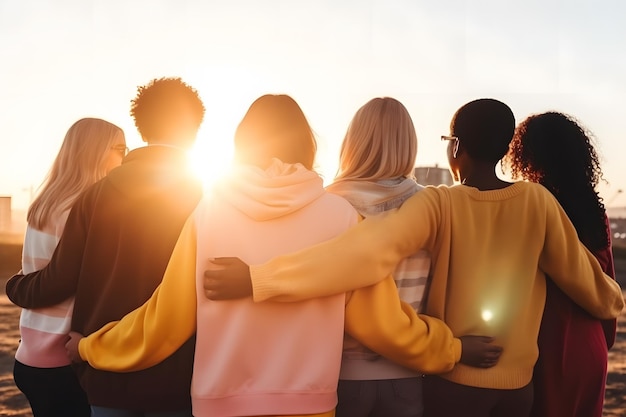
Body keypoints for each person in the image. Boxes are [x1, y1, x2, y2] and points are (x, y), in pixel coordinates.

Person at [66, 94, 501, 417]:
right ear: (307, 145)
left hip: (220, 405)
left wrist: (89, 345)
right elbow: (384, 325)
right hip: (308, 403)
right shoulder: (340, 217)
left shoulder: (210, 213)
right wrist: (451, 348)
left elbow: (162, 322)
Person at [202, 98, 624, 417]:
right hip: (518, 391)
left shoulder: (440, 205)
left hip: (452, 384)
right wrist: (614, 301)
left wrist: (260, 279)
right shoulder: (538, 202)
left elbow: (362, 255)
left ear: (455, 147)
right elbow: (587, 281)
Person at [6, 77, 205, 417]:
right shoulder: (205, 195)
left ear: (141, 127)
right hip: (178, 368)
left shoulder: (92, 196)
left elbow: (61, 277)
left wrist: (16, 284)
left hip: (99, 364)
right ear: (195, 129)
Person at [505, 111, 617, 417]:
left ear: (526, 155)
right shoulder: (597, 213)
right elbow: (607, 282)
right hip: (591, 344)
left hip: (545, 344)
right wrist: (599, 343)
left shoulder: (531, 206)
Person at [12, 117, 126, 417]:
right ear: (95, 152)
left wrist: (16, 285)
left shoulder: (45, 204)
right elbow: (63, 280)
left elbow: (37, 276)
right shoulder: (82, 208)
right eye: (120, 149)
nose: (125, 158)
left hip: (29, 355)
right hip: (62, 358)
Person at [326, 97, 431, 416]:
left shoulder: (328, 205)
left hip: (339, 374)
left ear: (352, 142)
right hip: (407, 374)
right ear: (408, 145)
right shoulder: (429, 207)